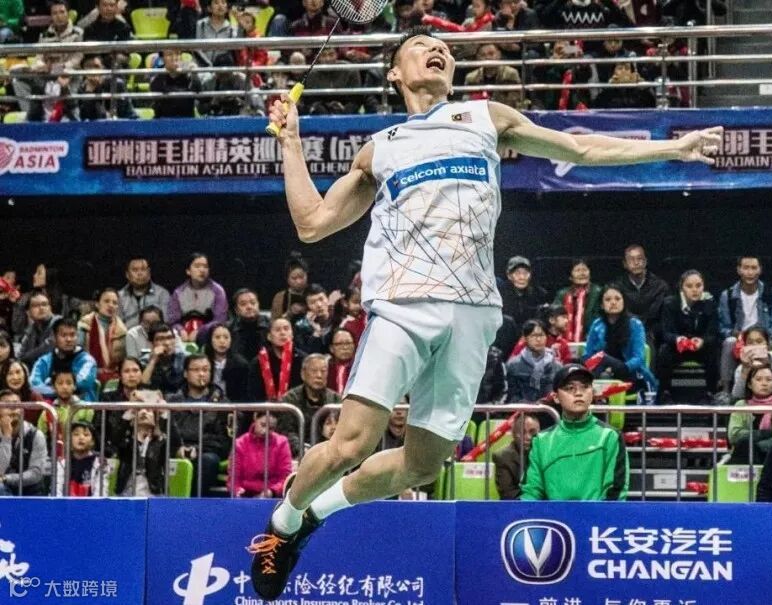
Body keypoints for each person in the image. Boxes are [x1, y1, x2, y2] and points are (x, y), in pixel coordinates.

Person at [249, 27, 722, 597]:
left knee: (423, 464)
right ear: (394, 73)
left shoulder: (484, 118)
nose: (437, 49)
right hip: (402, 305)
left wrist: (671, 148)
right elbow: (312, 223)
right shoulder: (382, 147)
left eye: (443, 48)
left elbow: (579, 149)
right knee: (351, 445)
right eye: (421, 45)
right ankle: (283, 523)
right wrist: (291, 142)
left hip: (473, 314)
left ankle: (317, 514)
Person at [520, 364, 628, 501]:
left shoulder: (610, 437)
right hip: (552, 515)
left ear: (592, 393)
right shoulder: (540, 441)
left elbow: (615, 493)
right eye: (570, 388)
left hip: (598, 515)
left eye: (585, 387)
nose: (578, 393)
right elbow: (530, 493)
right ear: (556, 397)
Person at [717, 255, 772, 395]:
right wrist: (734, 334)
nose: (750, 272)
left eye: (754, 268)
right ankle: (725, 391)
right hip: (740, 339)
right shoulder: (727, 295)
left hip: (765, 337)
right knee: (729, 342)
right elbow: (723, 326)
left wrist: (764, 337)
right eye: (746, 268)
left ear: (760, 270)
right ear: (739, 270)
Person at [166, 354, 230, 497]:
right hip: (177, 449)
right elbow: (166, 431)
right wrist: (177, 448)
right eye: (196, 370)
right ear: (185, 373)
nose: (201, 374)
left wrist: (197, 449)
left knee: (208, 461)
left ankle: (193, 503)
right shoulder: (172, 401)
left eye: (205, 370)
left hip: (206, 451)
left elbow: (223, 441)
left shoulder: (222, 403)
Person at [9, 0, 83, 121]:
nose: (58, 16)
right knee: (16, 77)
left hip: (68, 74)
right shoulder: (44, 35)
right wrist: (40, 66)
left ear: (68, 14)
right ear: (51, 16)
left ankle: (72, 115)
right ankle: (31, 116)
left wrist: (58, 68)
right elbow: (39, 57)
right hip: (48, 74)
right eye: (55, 13)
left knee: (71, 76)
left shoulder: (78, 33)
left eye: (62, 12)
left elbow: (77, 58)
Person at [656, 270, 719, 401]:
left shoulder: (710, 304)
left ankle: (710, 392)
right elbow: (666, 333)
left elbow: (713, 334)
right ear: (682, 288)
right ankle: (664, 392)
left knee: (713, 350)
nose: (695, 290)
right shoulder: (670, 303)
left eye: (698, 285)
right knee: (664, 351)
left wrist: (702, 341)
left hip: (699, 347)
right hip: (678, 347)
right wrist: (677, 339)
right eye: (689, 286)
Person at [583, 284, 658, 391]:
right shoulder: (597, 325)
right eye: (608, 300)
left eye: (617, 299)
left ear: (624, 302)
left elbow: (638, 358)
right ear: (602, 305)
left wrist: (619, 368)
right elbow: (588, 355)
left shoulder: (635, 324)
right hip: (603, 372)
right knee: (597, 371)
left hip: (629, 372)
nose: (613, 302)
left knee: (603, 359)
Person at [111, 405, 182, 496]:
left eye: (148, 410)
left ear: (155, 418)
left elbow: (176, 442)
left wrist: (164, 414)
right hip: (126, 492)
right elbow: (114, 440)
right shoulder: (126, 441)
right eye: (139, 409)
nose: (144, 412)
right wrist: (128, 415)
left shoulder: (161, 442)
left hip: (154, 492)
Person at [726, 366, 772, 465]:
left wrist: (755, 446)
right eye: (759, 379)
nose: (764, 383)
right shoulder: (741, 405)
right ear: (749, 384)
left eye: (769, 380)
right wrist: (764, 434)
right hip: (743, 454)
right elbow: (734, 436)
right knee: (745, 445)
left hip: (770, 456)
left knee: (747, 444)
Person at [280, 354, 341, 455]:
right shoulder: (290, 399)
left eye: (323, 371)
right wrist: (302, 450)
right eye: (314, 371)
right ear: (303, 374)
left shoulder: (336, 400)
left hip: (329, 453)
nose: (319, 375)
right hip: (297, 454)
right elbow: (286, 431)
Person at [614, 244, 669, 347]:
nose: (636, 262)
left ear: (646, 261)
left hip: (651, 332)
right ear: (625, 264)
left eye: (640, 258)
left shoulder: (660, 286)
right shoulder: (617, 286)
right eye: (631, 259)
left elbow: (656, 315)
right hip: (626, 329)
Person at [31, 318, 99, 401]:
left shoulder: (88, 361)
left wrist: (50, 383)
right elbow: (34, 384)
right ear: (54, 338)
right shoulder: (44, 361)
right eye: (63, 335)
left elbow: (83, 383)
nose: (69, 339)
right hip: (50, 406)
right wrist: (59, 390)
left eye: (72, 335)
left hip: (81, 406)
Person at [230, 411, 294, 498]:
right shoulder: (240, 443)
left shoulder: (282, 443)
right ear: (255, 418)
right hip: (245, 494)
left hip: (272, 495)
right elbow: (234, 478)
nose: (265, 431)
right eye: (263, 425)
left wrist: (272, 491)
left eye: (271, 428)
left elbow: (285, 477)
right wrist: (237, 491)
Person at [167, 253, 228, 342]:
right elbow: (173, 321)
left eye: (205, 266)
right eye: (197, 266)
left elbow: (220, 320)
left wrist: (201, 331)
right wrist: (180, 330)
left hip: (210, 336)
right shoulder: (178, 292)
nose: (202, 270)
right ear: (188, 271)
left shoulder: (218, 291)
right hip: (184, 336)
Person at [0, 390, 48, 496]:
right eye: (7, 405)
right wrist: (6, 438)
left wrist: (7, 478)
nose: (13, 408)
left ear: (22, 410)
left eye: (16, 405)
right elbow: (0, 469)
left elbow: (36, 473)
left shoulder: (36, 435)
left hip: (30, 493)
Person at [37, 369, 95, 454]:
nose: (65, 387)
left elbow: (90, 436)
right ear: (53, 387)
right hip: (56, 456)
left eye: (69, 383)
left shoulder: (86, 409)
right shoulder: (48, 410)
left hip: (81, 454)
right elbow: (41, 436)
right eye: (60, 383)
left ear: (74, 386)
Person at [77, 287, 128, 384]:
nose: (111, 305)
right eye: (106, 301)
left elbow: (123, 360)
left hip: (114, 378)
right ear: (97, 304)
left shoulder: (122, 331)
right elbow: (77, 353)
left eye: (115, 303)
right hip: (86, 375)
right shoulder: (84, 325)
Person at [249, 318, 305, 403]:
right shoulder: (258, 362)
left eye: (286, 329)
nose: (282, 333)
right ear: (269, 337)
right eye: (278, 330)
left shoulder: (302, 360)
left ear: (292, 335)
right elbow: (253, 394)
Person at [730, 326, 772, 401]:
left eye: (759, 341)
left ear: (768, 344)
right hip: (753, 405)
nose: (755, 346)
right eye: (750, 342)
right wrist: (745, 370)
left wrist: (767, 368)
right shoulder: (742, 368)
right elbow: (737, 395)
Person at [506, 320, 563, 402]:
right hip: (521, 409)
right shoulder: (513, 365)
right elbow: (511, 396)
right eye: (533, 336)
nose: (538, 339)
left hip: (549, 408)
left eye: (541, 335)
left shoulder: (557, 367)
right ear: (525, 338)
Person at [53, 421, 112, 496]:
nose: (81, 438)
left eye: (86, 435)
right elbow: (57, 489)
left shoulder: (100, 462)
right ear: (70, 439)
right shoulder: (63, 461)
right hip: (66, 503)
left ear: (93, 441)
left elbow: (101, 492)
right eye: (76, 434)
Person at [76, 54, 138, 120]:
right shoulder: (82, 88)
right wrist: (89, 91)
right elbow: (85, 116)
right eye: (89, 67)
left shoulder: (116, 84)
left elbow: (121, 113)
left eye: (96, 66)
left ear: (102, 68)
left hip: (124, 122)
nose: (93, 71)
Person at [554, 259, 602, 343]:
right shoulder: (562, 294)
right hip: (565, 340)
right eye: (578, 270)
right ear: (570, 277)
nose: (582, 273)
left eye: (585, 270)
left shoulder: (598, 292)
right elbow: (555, 318)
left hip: (592, 339)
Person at [493, 413, 539, 500]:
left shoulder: (544, 452)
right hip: (518, 505)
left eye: (532, 432)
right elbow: (508, 494)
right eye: (522, 432)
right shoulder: (502, 457)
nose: (528, 437)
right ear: (513, 434)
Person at [463, 43, 523, 109]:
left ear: (499, 54)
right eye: (483, 55)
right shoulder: (471, 77)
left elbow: (515, 100)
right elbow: (466, 101)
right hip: (480, 111)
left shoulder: (511, 73)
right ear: (478, 58)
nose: (487, 57)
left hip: (504, 111)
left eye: (491, 54)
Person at [117, 257, 171, 328]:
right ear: (127, 274)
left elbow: (166, 322)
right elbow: (116, 324)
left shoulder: (162, 294)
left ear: (149, 272)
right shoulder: (119, 296)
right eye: (135, 270)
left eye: (143, 269)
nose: (140, 273)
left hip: (154, 333)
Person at [203, 323, 250, 402]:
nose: (222, 341)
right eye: (217, 337)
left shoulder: (241, 364)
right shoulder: (203, 362)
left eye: (226, 337)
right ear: (210, 340)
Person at [498, 256, 547, 331]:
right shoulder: (500, 294)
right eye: (517, 273)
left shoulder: (539, 294)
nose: (522, 277)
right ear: (509, 276)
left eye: (525, 273)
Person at [150, 48, 202, 119]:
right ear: (162, 58)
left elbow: (198, 92)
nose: (174, 58)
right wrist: (168, 70)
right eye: (169, 54)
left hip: (186, 120)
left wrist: (194, 75)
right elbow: (155, 91)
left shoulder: (188, 73)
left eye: (177, 54)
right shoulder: (157, 73)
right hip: (163, 120)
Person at [16, 291, 60, 366]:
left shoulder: (59, 323)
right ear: (28, 312)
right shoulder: (31, 329)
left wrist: (25, 357)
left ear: (50, 308)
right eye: (36, 306)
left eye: (44, 304)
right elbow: (20, 355)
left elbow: (48, 348)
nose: (41, 308)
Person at [227, 289, 271, 363]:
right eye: (243, 304)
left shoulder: (270, 326)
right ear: (236, 310)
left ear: (258, 305)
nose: (249, 307)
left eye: (253, 303)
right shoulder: (229, 329)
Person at [141, 323, 186, 393]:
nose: (167, 343)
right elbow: (141, 386)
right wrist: (153, 361)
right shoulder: (144, 361)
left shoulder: (184, 358)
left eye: (170, 338)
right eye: (161, 339)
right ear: (151, 343)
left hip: (179, 398)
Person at [194, 0, 236, 71]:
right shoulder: (201, 24)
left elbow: (236, 49)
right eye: (216, 3)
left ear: (227, 8)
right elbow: (197, 48)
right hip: (202, 67)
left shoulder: (231, 28)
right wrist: (209, 65)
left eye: (223, 2)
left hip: (223, 68)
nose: (220, 5)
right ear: (209, 8)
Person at [293, 284, 334, 354]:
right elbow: (305, 353)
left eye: (321, 299)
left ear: (328, 299)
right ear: (307, 307)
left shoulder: (339, 318)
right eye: (312, 302)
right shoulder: (301, 327)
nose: (319, 305)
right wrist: (316, 333)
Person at [270, 254, 309, 321]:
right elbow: (274, 322)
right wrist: (290, 313)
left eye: (301, 277)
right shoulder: (280, 297)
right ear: (287, 279)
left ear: (307, 275)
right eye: (294, 278)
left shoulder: (314, 293)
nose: (298, 281)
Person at [326, 328, 355, 394]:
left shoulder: (360, 368)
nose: (345, 347)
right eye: (339, 344)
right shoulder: (325, 369)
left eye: (348, 343)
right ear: (331, 348)